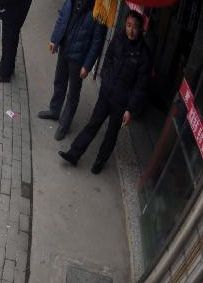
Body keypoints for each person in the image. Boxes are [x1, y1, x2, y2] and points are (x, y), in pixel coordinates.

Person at [59, 11, 152, 174]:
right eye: (128, 25)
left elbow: (140, 86)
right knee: (93, 123)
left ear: (141, 30)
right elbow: (107, 59)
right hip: (107, 93)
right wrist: (105, 80)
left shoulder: (144, 55)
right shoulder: (118, 39)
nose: (131, 30)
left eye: (135, 27)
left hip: (122, 102)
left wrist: (130, 109)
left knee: (111, 134)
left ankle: (100, 161)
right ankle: (74, 153)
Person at [38, 0, 107, 140]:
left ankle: (64, 124)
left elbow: (97, 41)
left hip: (79, 56)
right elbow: (62, 17)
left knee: (73, 93)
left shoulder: (99, 7)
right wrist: (55, 39)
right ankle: (55, 110)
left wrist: (87, 65)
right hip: (65, 47)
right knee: (59, 81)